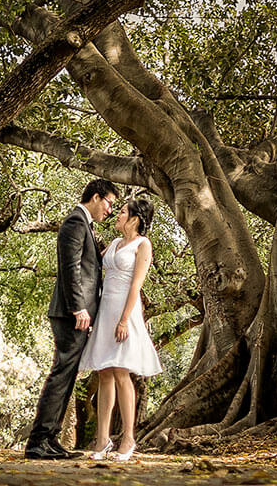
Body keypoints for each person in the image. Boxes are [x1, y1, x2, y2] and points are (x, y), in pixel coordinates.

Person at [24, 179, 119, 460]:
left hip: (76, 314)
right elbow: (69, 269)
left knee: (67, 375)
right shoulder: (75, 222)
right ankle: (38, 441)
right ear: (96, 197)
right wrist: (79, 308)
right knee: (61, 373)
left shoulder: (84, 224)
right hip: (70, 314)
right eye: (109, 203)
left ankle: (49, 439)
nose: (110, 210)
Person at [81, 197, 162, 461]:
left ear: (135, 219)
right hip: (106, 311)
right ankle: (102, 440)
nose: (117, 214)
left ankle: (128, 438)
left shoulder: (143, 245)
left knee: (121, 373)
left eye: (123, 212)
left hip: (125, 312)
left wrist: (125, 320)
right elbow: (95, 263)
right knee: (104, 372)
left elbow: (136, 285)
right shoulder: (115, 243)